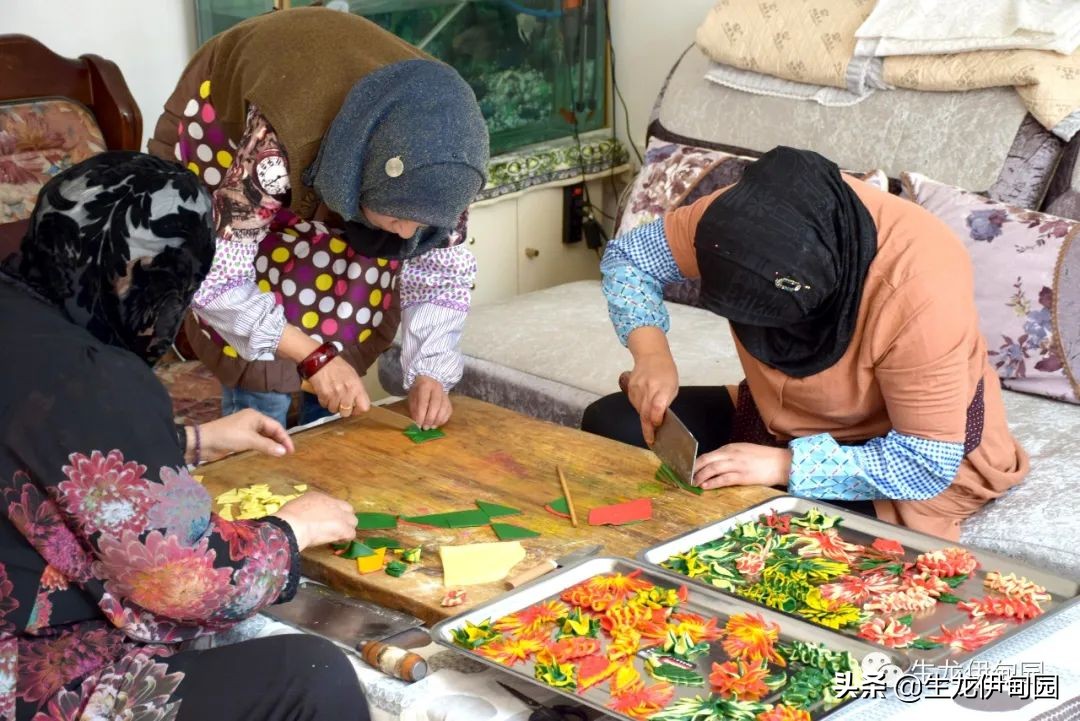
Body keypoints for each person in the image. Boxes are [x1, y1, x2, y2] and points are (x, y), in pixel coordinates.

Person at [0, 153, 364, 720]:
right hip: (24, 675)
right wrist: (292, 530)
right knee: (311, 677)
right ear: (145, 282)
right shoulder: (93, 376)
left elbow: (38, 444)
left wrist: (191, 441)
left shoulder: (19, 311)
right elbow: (183, 579)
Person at [583, 146, 1029, 540]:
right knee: (611, 424)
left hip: (902, 450)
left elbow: (924, 464)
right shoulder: (741, 219)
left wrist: (783, 468)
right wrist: (651, 354)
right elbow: (631, 259)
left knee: (776, 537)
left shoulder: (919, 289)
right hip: (784, 419)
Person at [148, 6, 490, 428]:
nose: (408, 234)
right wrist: (312, 354)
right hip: (236, 122)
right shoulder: (273, 153)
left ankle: (319, 422)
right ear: (355, 181)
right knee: (262, 362)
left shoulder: (445, 161)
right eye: (399, 217)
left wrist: (430, 371)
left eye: (421, 225)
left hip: (356, 149)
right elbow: (216, 281)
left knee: (344, 291)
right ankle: (259, 423)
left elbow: (439, 271)